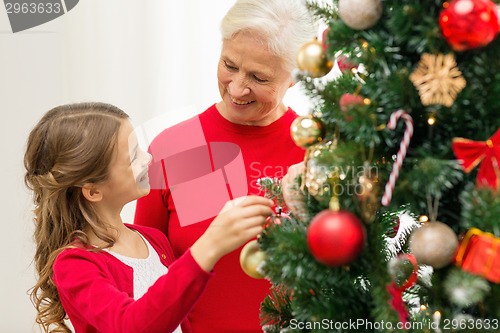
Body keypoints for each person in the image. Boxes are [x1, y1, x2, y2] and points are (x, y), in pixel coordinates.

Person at [134, 0, 317, 331]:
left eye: (259, 77)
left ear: (294, 77)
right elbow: (145, 275)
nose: (237, 88)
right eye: (229, 65)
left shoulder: (318, 153)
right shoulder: (175, 147)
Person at [24, 102, 273, 333]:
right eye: (133, 157)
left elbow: (174, 311)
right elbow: (132, 325)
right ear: (93, 190)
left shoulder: (153, 240)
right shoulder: (74, 265)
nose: (149, 158)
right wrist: (210, 245)